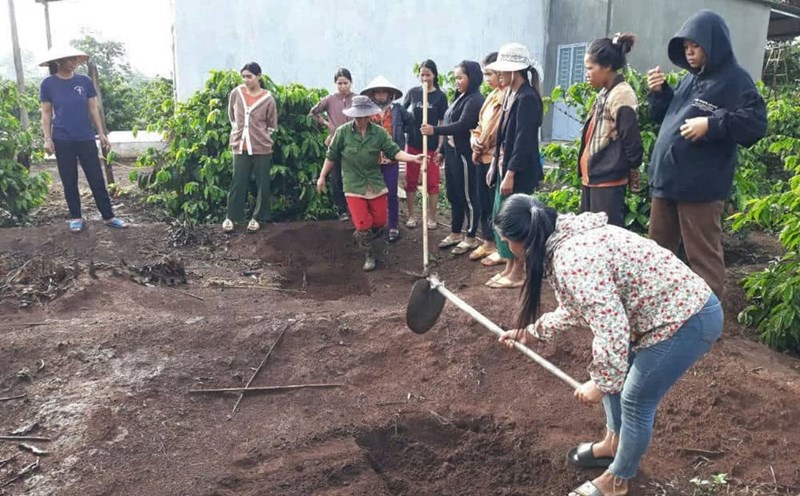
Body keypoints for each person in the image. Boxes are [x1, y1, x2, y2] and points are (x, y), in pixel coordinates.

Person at [495, 194, 723, 496]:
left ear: (522, 240)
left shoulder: (573, 259)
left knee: (635, 399)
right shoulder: (564, 239)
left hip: (687, 319)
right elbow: (577, 308)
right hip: (660, 314)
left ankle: (618, 479)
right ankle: (613, 443)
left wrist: (601, 383)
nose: (506, 247)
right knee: (616, 369)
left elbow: (611, 329)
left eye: (505, 241)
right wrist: (531, 333)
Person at [647, 10, 767, 298]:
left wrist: (711, 125)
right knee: (656, 253)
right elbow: (667, 117)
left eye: (695, 46)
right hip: (667, 181)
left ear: (714, 45)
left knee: (702, 256)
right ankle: (658, 308)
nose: (689, 53)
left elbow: (755, 124)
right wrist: (661, 93)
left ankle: (708, 316)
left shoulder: (735, 80)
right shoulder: (690, 80)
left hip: (700, 188)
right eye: (686, 47)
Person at [316, 96, 424, 271]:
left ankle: (361, 235)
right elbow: (331, 156)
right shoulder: (342, 133)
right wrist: (322, 176)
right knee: (362, 222)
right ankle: (369, 254)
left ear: (369, 116)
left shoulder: (379, 133)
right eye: (357, 116)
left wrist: (413, 158)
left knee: (380, 220)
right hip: (353, 184)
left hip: (374, 182)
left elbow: (394, 151)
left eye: (364, 116)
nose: (361, 120)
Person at [39, 46, 128, 233]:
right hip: (62, 138)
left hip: (86, 137)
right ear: (59, 62)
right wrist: (47, 138)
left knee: (96, 178)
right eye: (70, 59)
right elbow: (46, 113)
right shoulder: (48, 84)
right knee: (69, 179)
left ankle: (109, 216)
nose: (74, 63)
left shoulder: (84, 82)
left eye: (76, 59)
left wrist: (101, 133)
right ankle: (76, 217)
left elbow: (93, 108)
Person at [483, 43, 544, 288]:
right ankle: (509, 266)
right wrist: (493, 166)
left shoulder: (527, 98)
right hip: (503, 166)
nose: (498, 75)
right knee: (502, 217)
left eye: (502, 71)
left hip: (519, 171)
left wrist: (510, 174)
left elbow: (523, 141)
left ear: (514, 71)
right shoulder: (510, 93)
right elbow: (502, 136)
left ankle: (519, 272)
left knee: (515, 221)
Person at [580, 33, 643, 228]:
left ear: (607, 66)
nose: (587, 73)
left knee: (605, 235)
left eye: (590, 68)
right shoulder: (605, 93)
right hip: (593, 178)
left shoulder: (622, 95)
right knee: (589, 234)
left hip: (607, 180)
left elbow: (631, 139)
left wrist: (632, 168)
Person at [421, 60, 484, 256]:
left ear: (471, 78)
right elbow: (449, 120)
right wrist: (441, 150)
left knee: (468, 196)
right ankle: (456, 232)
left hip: (464, 154)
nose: (456, 82)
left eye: (460, 78)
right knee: (453, 194)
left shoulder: (475, 99)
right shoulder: (460, 97)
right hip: (451, 153)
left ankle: (471, 236)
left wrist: (434, 130)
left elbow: (462, 125)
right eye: (456, 78)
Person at [223, 62, 278, 233]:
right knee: (238, 181)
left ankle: (258, 217)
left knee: (262, 183)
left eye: (249, 76)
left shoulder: (268, 98)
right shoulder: (236, 93)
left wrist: (261, 136)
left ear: (258, 77)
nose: (246, 80)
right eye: (243, 77)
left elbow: (272, 124)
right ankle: (232, 217)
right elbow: (232, 115)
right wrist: (237, 130)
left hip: (261, 147)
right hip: (240, 145)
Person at [361, 76, 413, 242]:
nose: (381, 95)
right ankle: (376, 225)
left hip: (391, 158)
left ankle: (393, 226)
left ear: (390, 94)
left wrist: (400, 137)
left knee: (391, 192)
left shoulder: (397, 110)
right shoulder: (367, 111)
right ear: (372, 94)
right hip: (372, 159)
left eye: (384, 92)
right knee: (373, 193)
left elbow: (410, 122)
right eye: (378, 92)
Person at [468, 51, 507, 263]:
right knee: (482, 201)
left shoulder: (506, 97)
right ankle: (488, 241)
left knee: (496, 204)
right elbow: (480, 125)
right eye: (486, 74)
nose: (487, 79)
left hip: (493, 158)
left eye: (490, 74)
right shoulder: (491, 96)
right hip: (481, 156)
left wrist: (479, 145)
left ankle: (501, 247)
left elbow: (494, 130)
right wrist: (474, 140)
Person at [403, 60, 447, 230]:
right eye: (422, 75)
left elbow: (443, 123)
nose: (425, 78)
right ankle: (412, 215)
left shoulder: (440, 97)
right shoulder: (413, 93)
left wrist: (440, 147)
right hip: (413, 145)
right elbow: (402, 113)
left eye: (428, 74)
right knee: (411, 181)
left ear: (434, 75)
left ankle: (432, 217)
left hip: (432, 146)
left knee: (433, 183)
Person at [309, 68, 355, 222]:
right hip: (335, 142)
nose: (342, 86)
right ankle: (342, 210)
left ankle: (354, 208)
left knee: (353, 176)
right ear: (335, 84)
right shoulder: (329, 99)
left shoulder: (356, 99)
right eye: (339, 83)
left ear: (351, 82)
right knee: (336, 177)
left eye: (345, 83)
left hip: (354, 143)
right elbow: (313, 112)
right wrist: (326, 123)